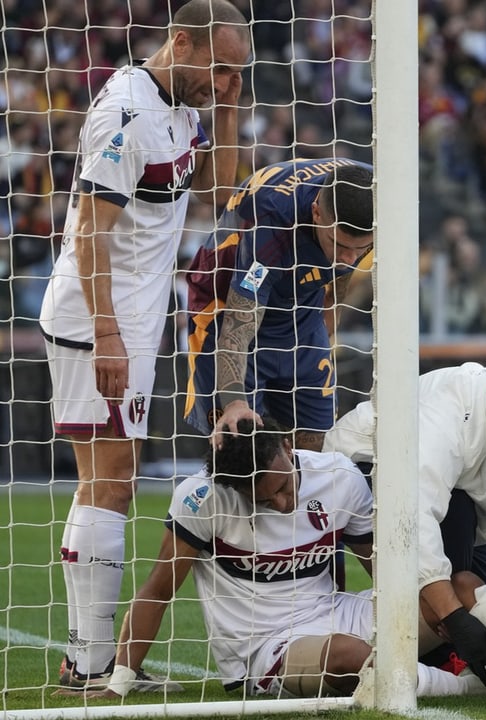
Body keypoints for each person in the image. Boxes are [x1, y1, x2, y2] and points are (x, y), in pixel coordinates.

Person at [92, 418, 486, 703]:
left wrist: (435, 617)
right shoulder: (201, 500)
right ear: (237, 491)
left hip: (337, 609)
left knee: (458, 583)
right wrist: (120, 679)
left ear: (288, 451)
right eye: (268, 499)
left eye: (285, 485)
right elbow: (157, 588)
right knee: (356, 657)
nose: (284, 501)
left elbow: (383, 568)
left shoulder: (337, 478)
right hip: (264, 648)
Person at [38, 0, 250, 690]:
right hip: (97, 316)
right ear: (179, 42)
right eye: (218, 69)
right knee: (112, 480)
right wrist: (105, 333)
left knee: (112, 478)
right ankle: (91, 664)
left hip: (133, 314)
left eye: (234, 74)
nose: (222, 82)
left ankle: (86, 659)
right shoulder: (128, 116)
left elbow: (223, 194)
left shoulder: (183, 106)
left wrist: (225, 108)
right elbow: (88, 234)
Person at [322, 349, 486, 682]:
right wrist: (453, 614)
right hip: (365, 476)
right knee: (461, 597)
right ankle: (441, 658)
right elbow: (417, 514)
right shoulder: (446, 410)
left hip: (470, 512)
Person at [183, 158, 374, 452]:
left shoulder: (374, 193)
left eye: (360, 248)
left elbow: (343, 271)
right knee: (241, 450)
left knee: (317, 450)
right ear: (316, 213)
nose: (347, 259)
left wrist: (328, 325)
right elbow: (238, 322)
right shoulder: (273, 222)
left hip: (301, 309)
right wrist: (234, 403)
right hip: (226, 306)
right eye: (338, 244)